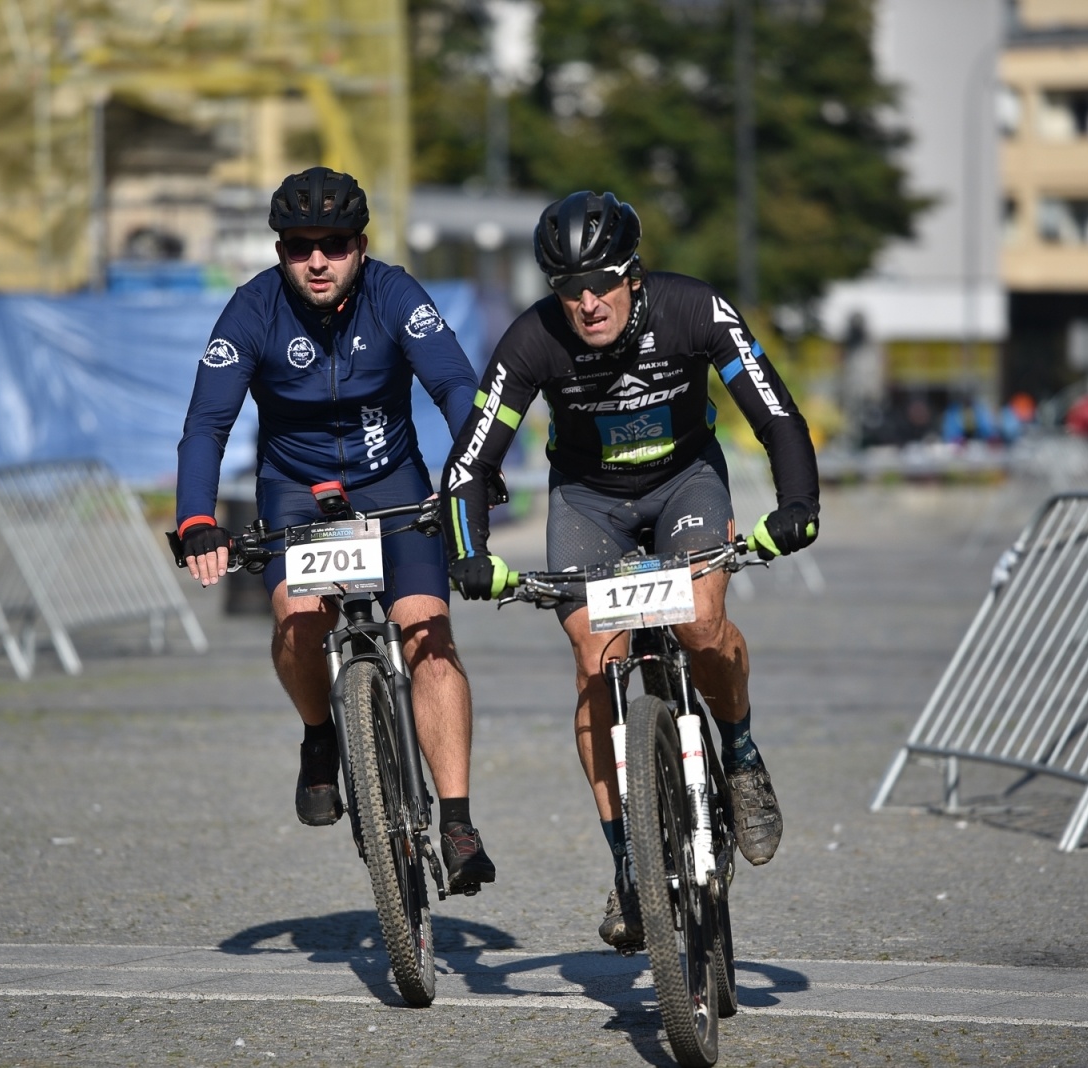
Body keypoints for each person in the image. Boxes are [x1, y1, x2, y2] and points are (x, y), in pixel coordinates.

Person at [437, 190, 820, 948]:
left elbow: (773, 411)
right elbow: (472, 461)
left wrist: (797, 504)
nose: (586, 303)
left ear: (633, 277)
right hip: (588, 502)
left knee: (699, 623)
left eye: (602, 283)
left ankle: (739, 753)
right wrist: (467, 551)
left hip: (686, 483)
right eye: (568, 288)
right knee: (594, 659)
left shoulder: (694, 310)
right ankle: (628, 868)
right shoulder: (532, 342)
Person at [175, 167, 497, 893]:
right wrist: (196, 518)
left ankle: (456, 819)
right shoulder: (251, 311)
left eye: (335, 244)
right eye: (298, 246)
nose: (317, 260)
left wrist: (472, 469)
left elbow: (454, 384)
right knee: (296, 616)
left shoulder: (395, 294)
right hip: (297, 493)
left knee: (427, 633)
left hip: (392, 485)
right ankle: (320, 735)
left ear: (360, 244)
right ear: (281, 249)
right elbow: (206, 424)